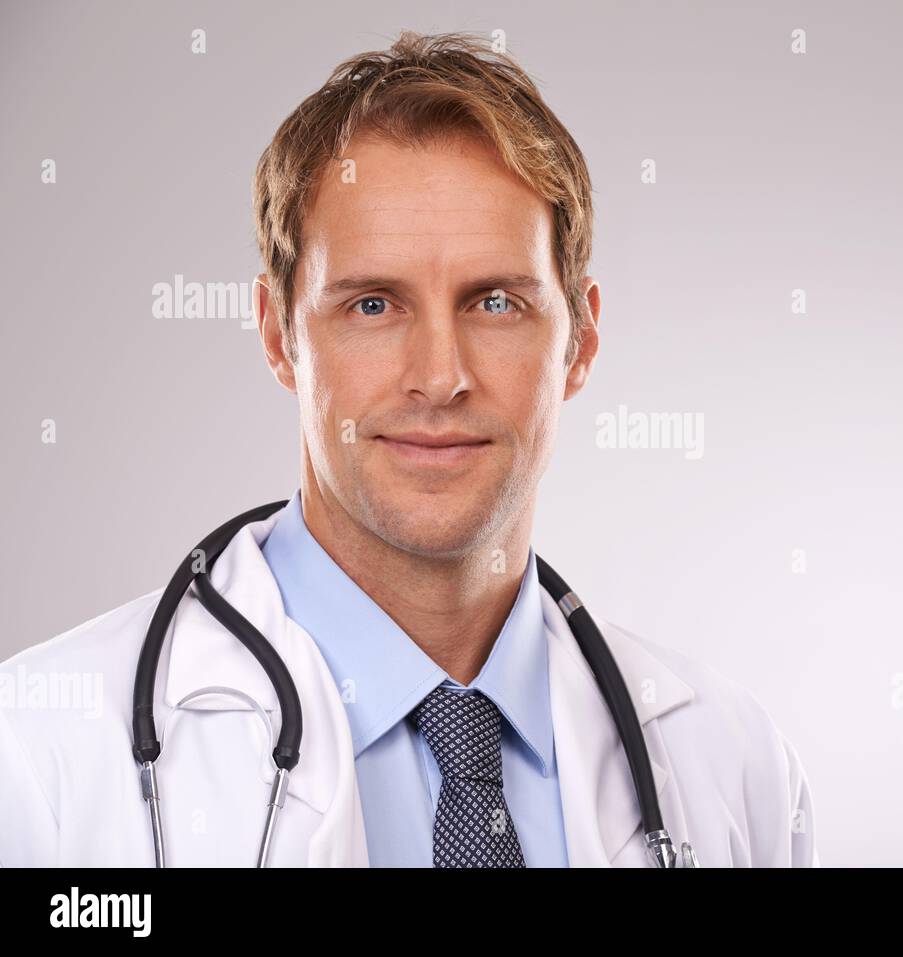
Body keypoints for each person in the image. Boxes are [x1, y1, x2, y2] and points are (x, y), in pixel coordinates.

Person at [0, 30, 818, 868]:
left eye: (495, 302)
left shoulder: (733, 767)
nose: (439, 376)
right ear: (279, 335)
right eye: (372, 305)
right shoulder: (42, 756)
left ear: (580, 340)